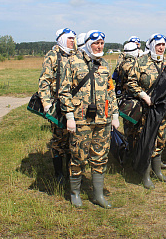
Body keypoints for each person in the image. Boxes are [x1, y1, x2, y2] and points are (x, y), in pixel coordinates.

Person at [59, 30, 119, 208]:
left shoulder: (105, 64)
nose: (100, 46)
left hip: (103, 120)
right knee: (78, 156)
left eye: (102, 43)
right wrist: (69, 115)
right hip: (80, 120)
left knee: (100, 156)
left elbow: (110, 91)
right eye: (96, 43)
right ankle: (75, 193)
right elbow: (64, 92)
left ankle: (98, 195)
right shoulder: (72, 62)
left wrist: (114, 114)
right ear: (87, 44)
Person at [127, 33, 166, 189]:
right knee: (147, 140)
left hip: (164, 109)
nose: (161, 48)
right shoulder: (141, 62)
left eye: (163, 45)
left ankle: (158, 172)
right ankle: (145, 174)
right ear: (151, 46)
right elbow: (131, 82)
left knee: (161, 138)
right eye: (158, 45)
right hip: (146, 109)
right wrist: (143, 95)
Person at [38, 28, 76, 183]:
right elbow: (44, 81)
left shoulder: (75, 55)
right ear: (61, 39)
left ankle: (70, 170)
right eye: (70, 39)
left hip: (73, 104)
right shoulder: (52, 56)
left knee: (72, 138)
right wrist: (46, 104)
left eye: (74, 39)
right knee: (59, 139)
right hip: (57, 104)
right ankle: (59, 174)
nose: (73, 41)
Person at [114, 41, 140, 151]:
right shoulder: (136, 65)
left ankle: (128, 146)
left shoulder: (120, 65)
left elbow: (115, 78)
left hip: (125, 99)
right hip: (135, 99)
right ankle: (135, 149)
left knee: (127, 124)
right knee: (136, 126)